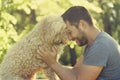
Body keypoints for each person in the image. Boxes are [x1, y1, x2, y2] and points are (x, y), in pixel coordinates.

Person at [37, 6, 120, 80]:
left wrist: (53, 63)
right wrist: (51, 62)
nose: (69, 38)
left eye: (70, 32)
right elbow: (75, 71)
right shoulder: (92, 44)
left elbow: (77, 78)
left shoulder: (101, 45)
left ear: (82, 24)